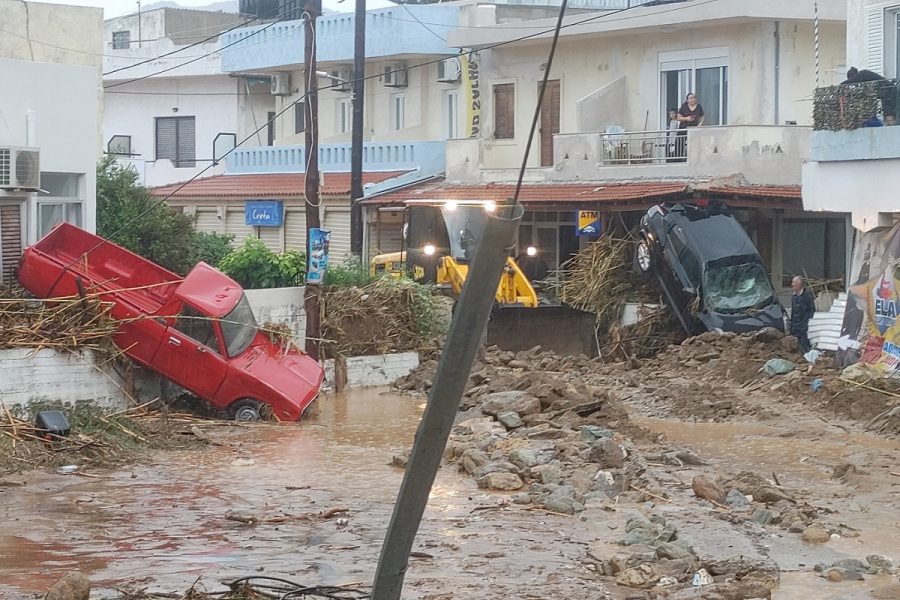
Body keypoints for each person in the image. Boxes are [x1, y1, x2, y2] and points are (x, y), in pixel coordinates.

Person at [790, 275, 816, 353]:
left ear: (799, 284)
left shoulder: (807, 295)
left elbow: (811, 311)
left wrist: (808, 324)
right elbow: (793, 312)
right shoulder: (794, 296)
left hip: (805, 328)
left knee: (804, 348)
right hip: (796, 328)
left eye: (794, 283)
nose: (792, 285)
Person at [675, 93, 704, 159]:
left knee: (694, 144)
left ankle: (694, 158)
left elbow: (702, 116)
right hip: (684, 128)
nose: (693, 99)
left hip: (694, 128)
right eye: (691, 98)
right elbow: (678, 118)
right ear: (687, 100)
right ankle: (678, 158)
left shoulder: (699, 107)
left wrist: (700, 123)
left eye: (694, 97)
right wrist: (686, 119)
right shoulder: (684, 106)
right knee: (679, 144)